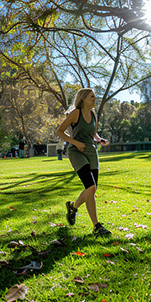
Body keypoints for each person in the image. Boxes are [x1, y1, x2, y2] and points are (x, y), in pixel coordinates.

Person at [56, 88, 111, 237]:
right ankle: (97, 226)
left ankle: (73, 207)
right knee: (91, 186)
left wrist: (100, 140)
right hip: (76, 151)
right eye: (92, 97)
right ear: (84, 98)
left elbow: (93, 134)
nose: (94, 99)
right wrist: (75, 142)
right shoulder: (76, 113)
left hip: (91, 152)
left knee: (91, 189)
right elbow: (60, 131)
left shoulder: (93, 114)